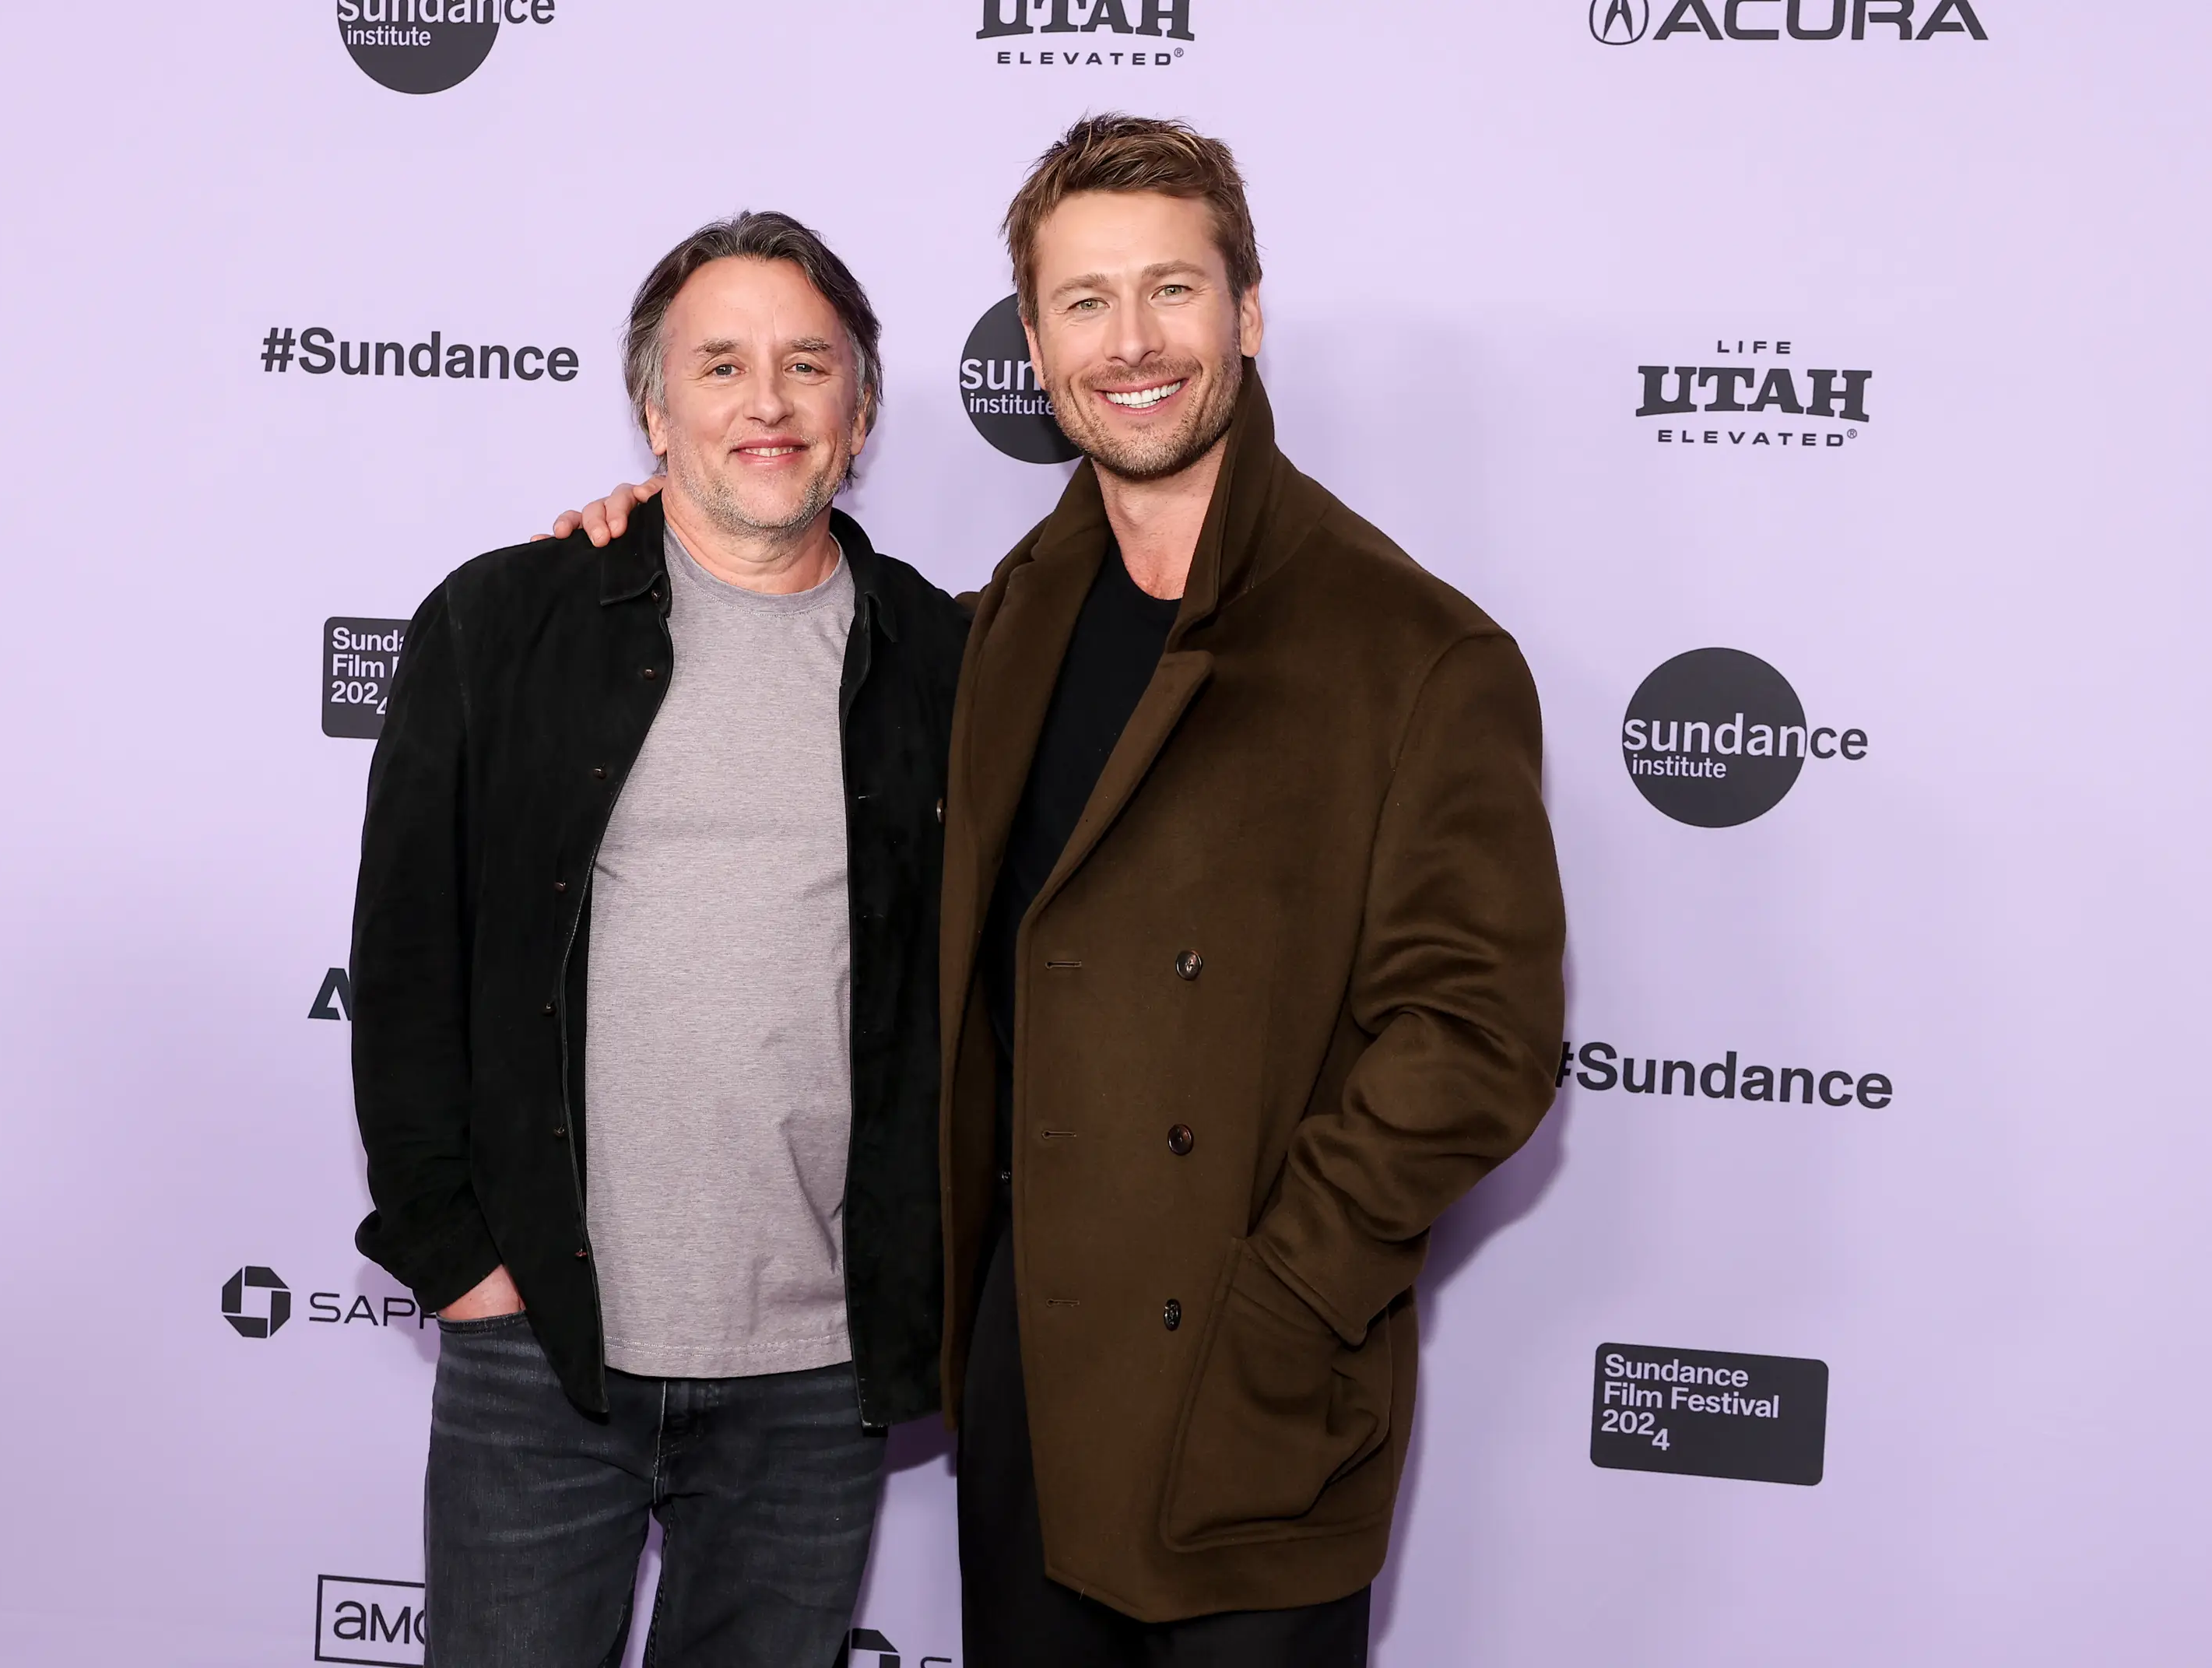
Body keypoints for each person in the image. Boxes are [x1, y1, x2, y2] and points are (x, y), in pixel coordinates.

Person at [558, 116, 1566, 1668]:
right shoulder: (1005, 622)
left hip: (1256, 1398)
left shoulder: (1413, 650)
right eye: (1086, 303)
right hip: (1034, 1392)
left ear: (1246, 311)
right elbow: (779, 607)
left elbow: (1481, 1040)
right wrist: (632, 542)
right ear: (1033, 344)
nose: (1134, 342)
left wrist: (1287, 1289)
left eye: (1173, 290)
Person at [349, 210, 967, 1668]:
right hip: (542, 1352)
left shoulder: (944, 662)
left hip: (817, 1379)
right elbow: (404, 967)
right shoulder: (504, 623)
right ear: (654, 405)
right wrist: (463, 1272)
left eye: (808, 365)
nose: (768, 402)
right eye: (722, 365)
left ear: (859, 412)